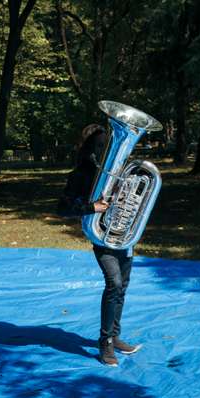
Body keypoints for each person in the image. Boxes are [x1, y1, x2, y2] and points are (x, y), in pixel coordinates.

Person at [58, 124, 141, 367]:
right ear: (90, 147)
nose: (104, 150)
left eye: (106, 145)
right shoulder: (81, 173)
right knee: (114, 283)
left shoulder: (122, 171)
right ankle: (104, 343)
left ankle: (114, 336)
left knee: (122, 286)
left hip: (123, 234)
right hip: (101, 235)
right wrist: (91, 207)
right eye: (100, 145)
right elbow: (62, 208)